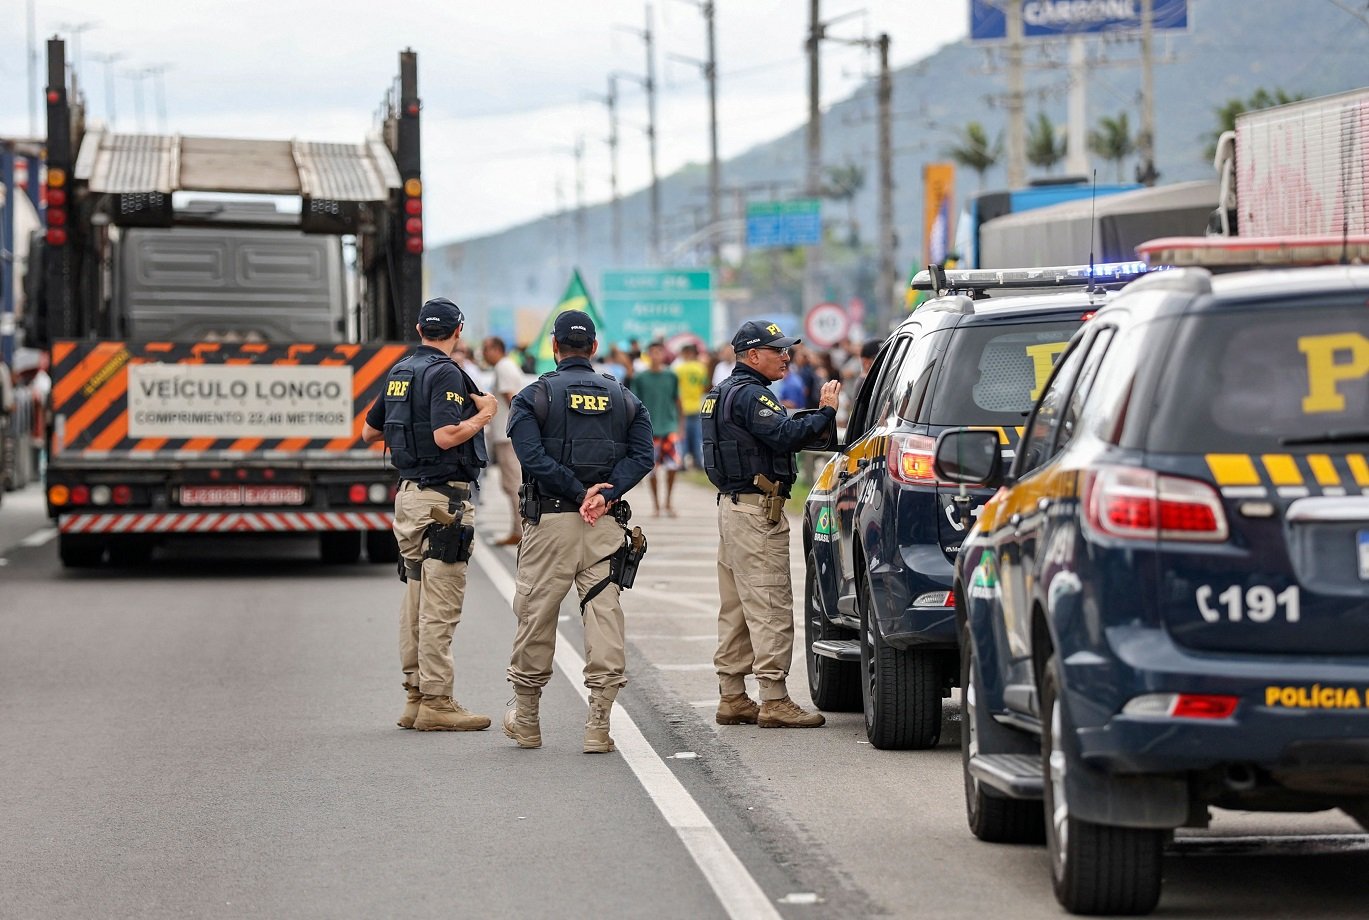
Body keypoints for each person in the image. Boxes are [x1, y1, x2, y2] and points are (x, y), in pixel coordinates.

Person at [503, 310, 654, 754]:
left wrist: (575, 490)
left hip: (550, 524)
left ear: (554, 346)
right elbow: (643, 457)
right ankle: (598, 727)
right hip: (604, 525)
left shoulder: (534, 397)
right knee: (603, 616)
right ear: (592, 348)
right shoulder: (625, 398)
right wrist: (603, 496)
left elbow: (529, 457)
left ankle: (528, 721)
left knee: (536, 615)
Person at [362, 297, 497, 732]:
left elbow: (368, 432)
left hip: (408, 497)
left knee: (416, 598)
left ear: (420, 330)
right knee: (441, 602)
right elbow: (445, 435)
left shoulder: (401, 371)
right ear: (459, 330)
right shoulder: (446, 374)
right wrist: (485, 416)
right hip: (444, 502)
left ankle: (415, 696)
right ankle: (438, 701)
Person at [701, 320, 840, 729]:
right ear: (752, 355)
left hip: (733, 508)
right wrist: (826, 412)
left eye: (787, 349)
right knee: (769, 603)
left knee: (738, 609)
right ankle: (774, 699)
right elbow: (782, 435)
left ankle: (733, 696)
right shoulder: (752, 395)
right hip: (757, 511)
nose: (786, 356)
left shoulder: (722, 392)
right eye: (777, 349)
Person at [481, 335, 526, 546]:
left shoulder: (503, 367)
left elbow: (512, 400)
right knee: (510, 485)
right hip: (505, 436)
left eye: (486, 349)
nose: (483, 353)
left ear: (496, 349)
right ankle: (518, 530)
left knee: (513, 485)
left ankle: (522, 531)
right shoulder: (506, 366)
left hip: (507, 438)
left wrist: (516, 431)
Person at [629, 340, 683, 516]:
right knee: (651, 470)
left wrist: (680, 426)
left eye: (659, 352)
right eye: (652, 352)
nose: (655, 355)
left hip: (669, 427)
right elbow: (634, 404)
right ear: (648, 355)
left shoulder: (671, 376)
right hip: (649, 430)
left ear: (663, 354)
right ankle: (656, 505)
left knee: (673, 466)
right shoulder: (640, 378)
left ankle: (668, 501)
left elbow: (677, 401)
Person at [673, 342, 709, 470]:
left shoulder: (679, 369)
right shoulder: (701, 368)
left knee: (682, 437)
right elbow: (704, 386)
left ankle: (682, 462)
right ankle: (698, 462)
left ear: (685, 353)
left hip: (682, 407)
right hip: (697, 405)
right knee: (697, 437)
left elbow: (675, 389)